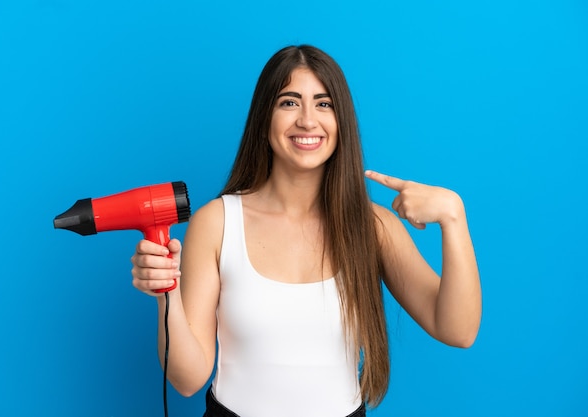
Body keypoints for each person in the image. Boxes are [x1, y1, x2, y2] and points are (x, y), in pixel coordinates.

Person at [131, 45, 481, 417]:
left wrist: (453, 218)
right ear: (264, 117)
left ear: (340, 119)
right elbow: (188, 380)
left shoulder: (373, 227)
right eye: (289, 102)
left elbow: (458, 331)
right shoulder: (216, 222)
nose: (308, 121)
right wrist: (165, 296)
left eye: (324, 103)